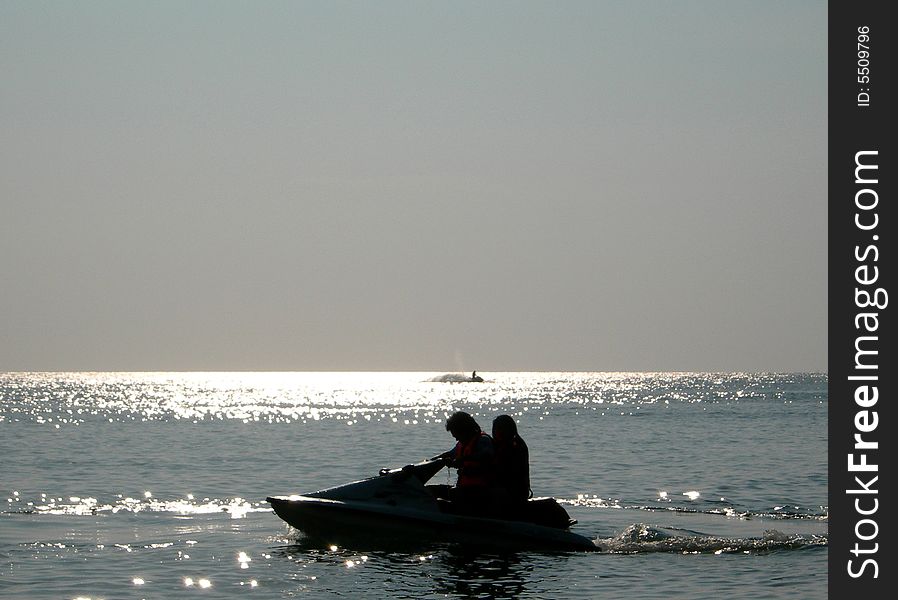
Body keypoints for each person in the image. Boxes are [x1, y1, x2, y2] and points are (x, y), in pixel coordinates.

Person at [435, 411, 495, 512]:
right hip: (466, 489)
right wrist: (431, 461)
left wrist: (462, 460)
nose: (456, 439)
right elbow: (449, 454)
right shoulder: (462, 443)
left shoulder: (483, 441)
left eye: (457, 436)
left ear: (465, 430)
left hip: (482, 492)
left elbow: (486, 455)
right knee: (432, 490)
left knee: (446, 498)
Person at [491, 415, 531, 503]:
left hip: (514, 491)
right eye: (496, 429)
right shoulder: (500, 444)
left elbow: (506, 471)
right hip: (509, 489)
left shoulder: (515, 445)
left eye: (501, 429)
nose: (498, 432)